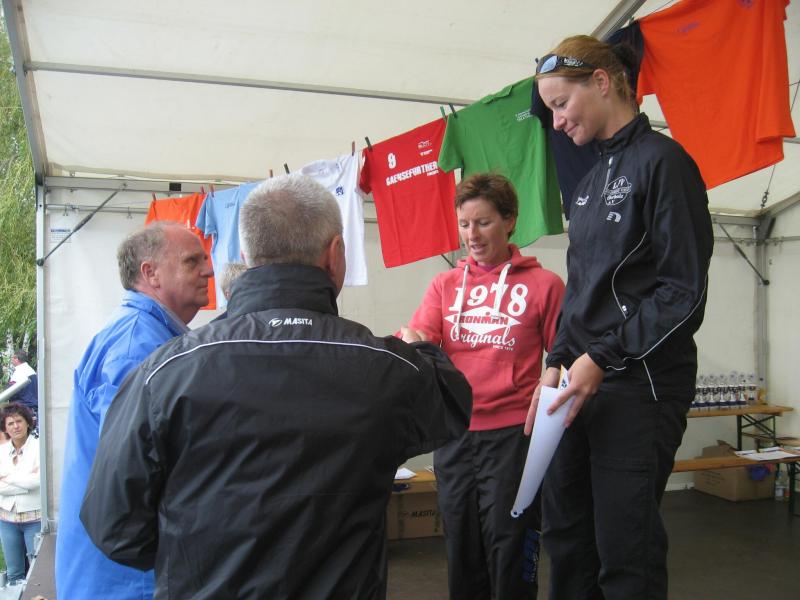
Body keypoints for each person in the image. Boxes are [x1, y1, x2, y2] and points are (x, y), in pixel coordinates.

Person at [80, 174, 472, 599]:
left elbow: (115, 526)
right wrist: (422, 348)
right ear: (335, 255)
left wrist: (194, 554)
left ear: (246, 256)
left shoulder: (166, 371)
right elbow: (453, 402)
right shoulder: (387, 367)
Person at [528, 35, 713, 599]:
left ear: (602, 83)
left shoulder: (665, 163)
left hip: (639, 387)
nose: (557, 121)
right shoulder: (587, 184)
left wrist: (602, 357)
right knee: (567, 540)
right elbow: (581, 294)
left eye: (562, 104)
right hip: (578, 385)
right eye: (551, 109)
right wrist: (555, 363)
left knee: (625, 552)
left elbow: (682, 293)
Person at [402, 172, 565, 599]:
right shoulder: (444, 285)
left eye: (483, 222)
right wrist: (411, 342)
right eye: (464, 224)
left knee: (510, 545)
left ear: (510, 221)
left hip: (514, 437)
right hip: (455, 435)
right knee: (461, 545)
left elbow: (567, 354)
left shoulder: (545, 286)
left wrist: (552, 383)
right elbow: (421, 338)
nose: (471, 235)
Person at [55, 222, 213, 600]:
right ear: (150, 273)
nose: (208, 271)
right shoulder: (136, 347)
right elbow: (132, 474)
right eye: (192, 261)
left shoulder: (149, 335)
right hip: (127, 580)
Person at [0, 403, 40, 585]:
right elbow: (28, 483)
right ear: (5, 428)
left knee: (37, 572)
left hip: (35, 518)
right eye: (10, 423)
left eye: (19, 421)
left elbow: (38, 482)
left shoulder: (40, 447)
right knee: (14, 573)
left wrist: (6, 477)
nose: (15, 426)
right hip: (7, 520)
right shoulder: (1, 451)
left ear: (28, 423)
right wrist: (24, 481)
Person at [8, 350, 38, 415]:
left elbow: (11, 393)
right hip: (33, 407)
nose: (12, 360)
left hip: (22, 409)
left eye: (13, 358)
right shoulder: (31, 370)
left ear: (17, 359)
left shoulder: (19, 372)